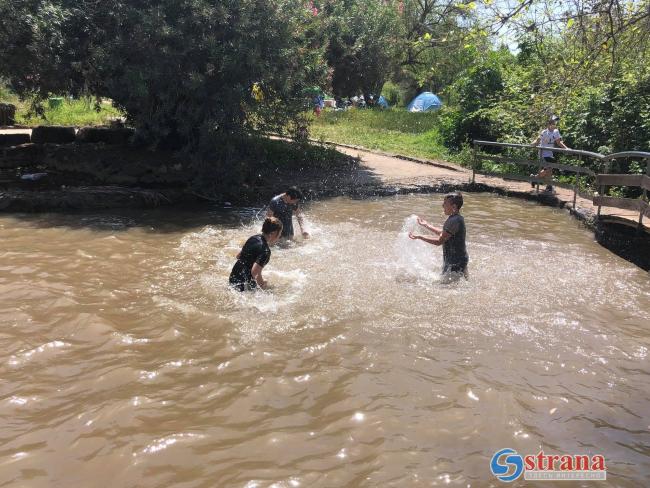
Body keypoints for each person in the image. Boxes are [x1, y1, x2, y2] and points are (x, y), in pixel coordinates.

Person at [408, 192, 469, 280]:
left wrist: (420, 237)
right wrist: (426, 225)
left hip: (456, 262)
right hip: (458, 259)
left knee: (449, 288)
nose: (442, 205)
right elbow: (443, 233)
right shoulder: (456, 218)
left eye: (445, 203)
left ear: (454, 207)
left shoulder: (454, 220)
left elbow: (439, 241)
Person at [229, 217, 283, 291]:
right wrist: (263, 285)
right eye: (279, 233)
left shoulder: (253, 238)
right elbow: (255, 272)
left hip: (233, 276)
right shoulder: (265, 251)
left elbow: (238, 256)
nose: (280, 236)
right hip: (244, 284)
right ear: (273, 233)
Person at [531, 115, 569, 192]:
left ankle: (535, 179)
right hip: (543, 153)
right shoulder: (544, 132)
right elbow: (538, 140)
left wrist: (566, 148)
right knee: (549, 169)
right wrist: (532, 144)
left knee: (549, 169)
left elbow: (559, 142)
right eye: (552, 123)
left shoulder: (556, 132)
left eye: (555, 123)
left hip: (549, 154)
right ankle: (549, 186)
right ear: (548, 124)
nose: (554, 125)